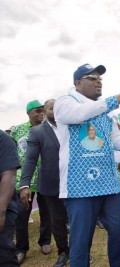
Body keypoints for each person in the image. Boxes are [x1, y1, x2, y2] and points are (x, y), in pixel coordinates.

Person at [54, 63, 120, 266]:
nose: (98, 81)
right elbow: (80, 114)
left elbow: (115, 140)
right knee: (81, 242)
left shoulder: (108, 112)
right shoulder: (65, 102)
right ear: (78, 82)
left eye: (100, 78)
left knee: (119, 230)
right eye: (92, 77)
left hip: (109, 184)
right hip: (79, 187)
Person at [19, 99, 70, 267]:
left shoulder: (72, 127)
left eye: (58, 108)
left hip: (75, 183)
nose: (54, 111)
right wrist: (25, 184)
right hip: (51, 184)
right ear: (45, 112)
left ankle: (80, 251)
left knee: (78, 220)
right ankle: (63, 251)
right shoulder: (37, 132)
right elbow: (30, 158)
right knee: (58, 221)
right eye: (50, 108)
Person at [10, 99, 52, 264]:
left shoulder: (48, 129)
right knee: (21, 216)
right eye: (37, 110)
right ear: (28, 113)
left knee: (46, 213)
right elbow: (12, 151)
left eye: (43, 110)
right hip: (24, 181)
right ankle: (21, 249)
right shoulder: (18, 130)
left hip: (45, 178)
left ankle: (45, 242)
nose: (41, 113)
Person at [0, 130, 21, 266]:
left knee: (3, 254)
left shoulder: (3, 139)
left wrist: (1, 212)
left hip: (3, 207)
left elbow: (9, 175)